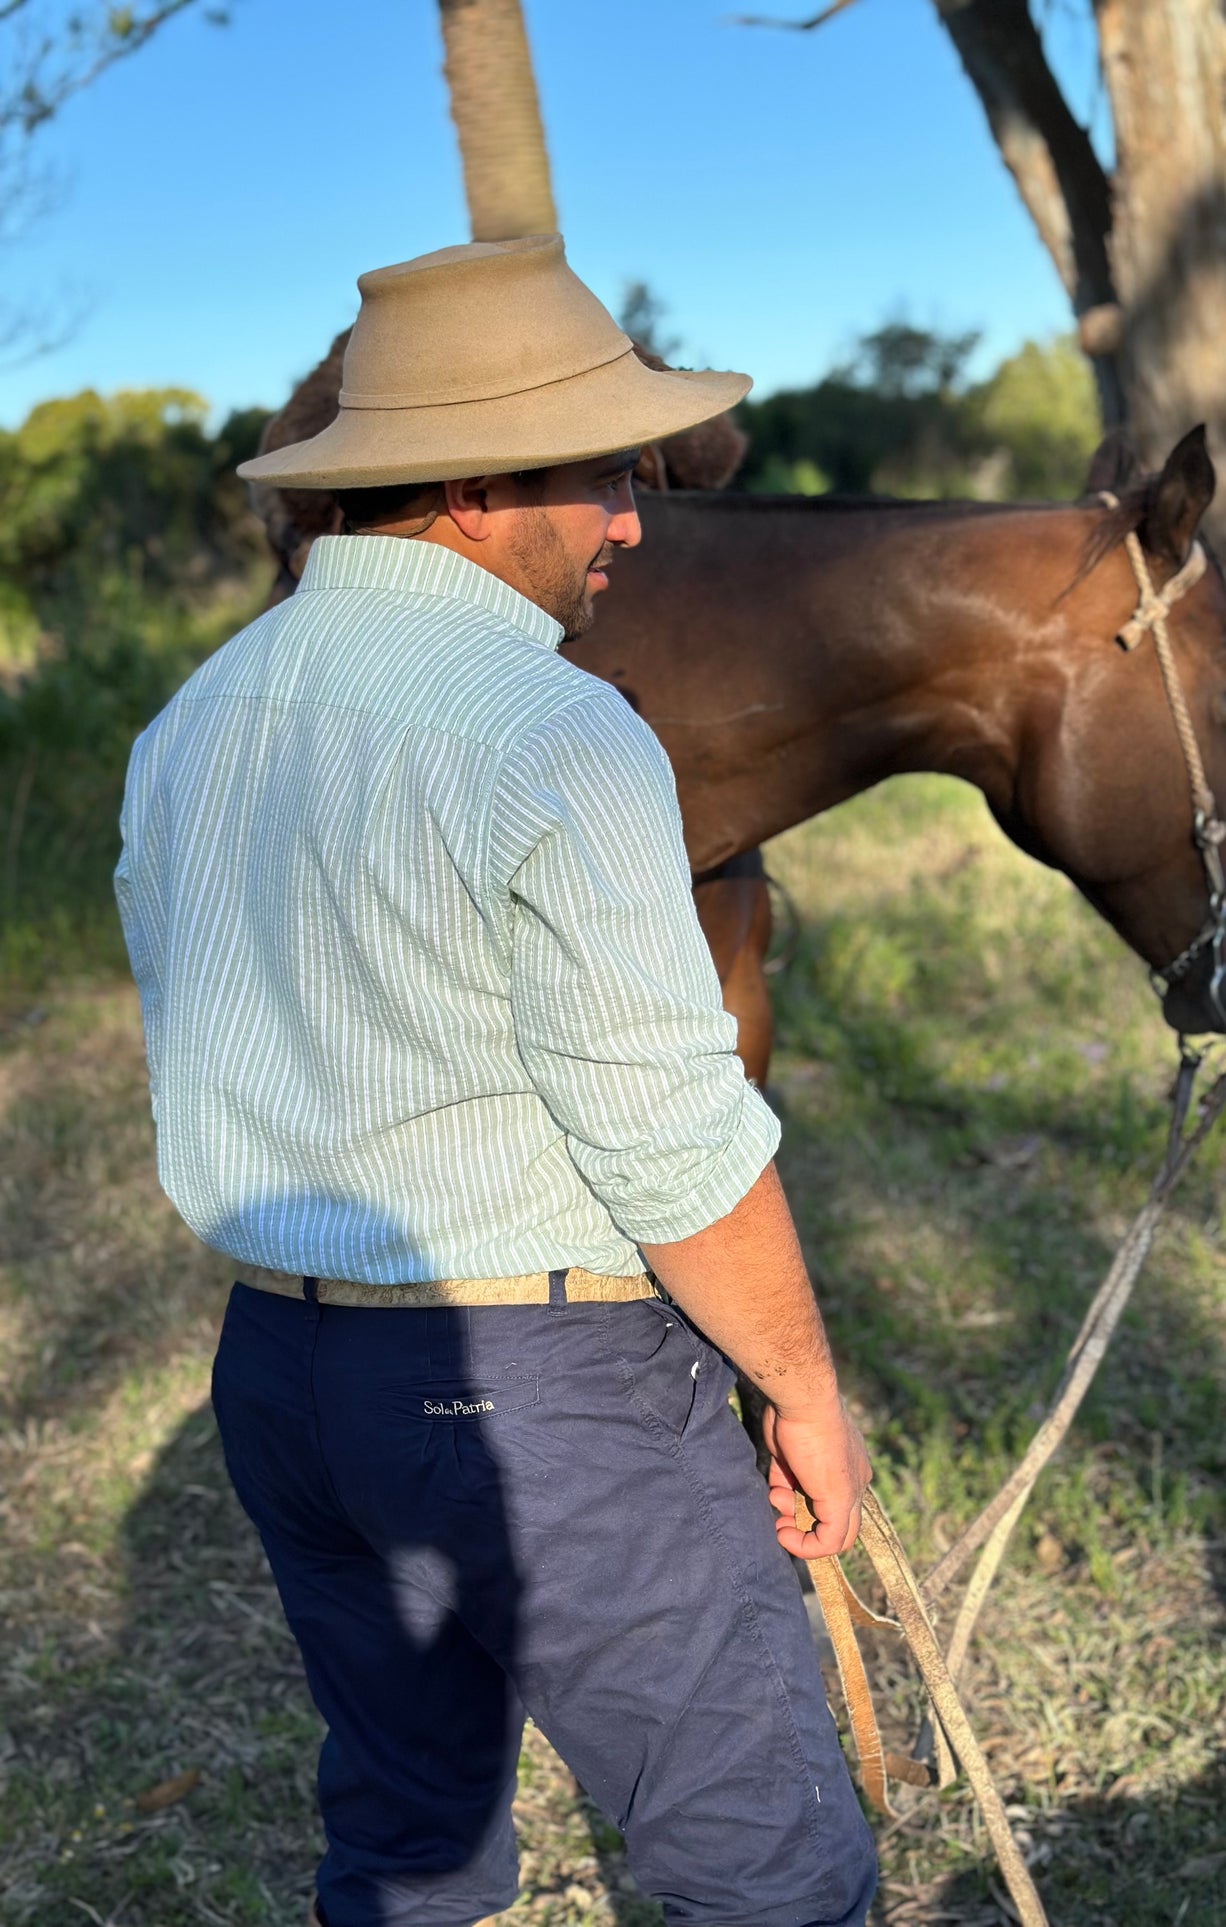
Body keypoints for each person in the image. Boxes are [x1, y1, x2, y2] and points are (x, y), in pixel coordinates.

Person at [115, 234, 877, 1927]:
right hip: (537, 1389)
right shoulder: (552, 729)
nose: (630, 517)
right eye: (603, 472)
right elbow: (673, 1137)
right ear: (468, 485)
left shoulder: (192, 719)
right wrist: (805, 1390)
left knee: (405, 1843)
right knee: (756, 1857)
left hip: (284, 1375)